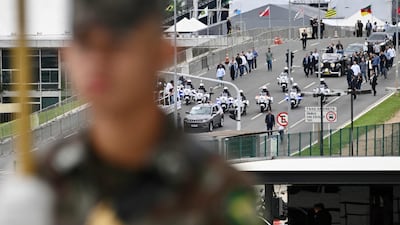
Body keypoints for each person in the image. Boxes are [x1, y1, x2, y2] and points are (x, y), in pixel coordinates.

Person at [5, 0, 259, 224]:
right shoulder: (42, 185)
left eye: (117, 43)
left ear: (162, 53)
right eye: (86, 43)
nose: (98, 62)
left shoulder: (213, 190)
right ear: (67, 56)